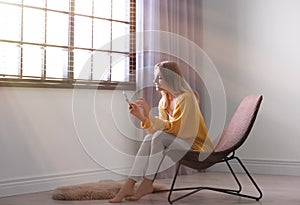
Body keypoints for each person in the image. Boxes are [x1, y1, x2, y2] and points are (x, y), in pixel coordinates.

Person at [109, 61, 214, 203]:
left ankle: (147, 183)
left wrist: (149, 115)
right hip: (179, 144)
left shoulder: (186, 97)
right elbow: (157, 132)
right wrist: (142, 116)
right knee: (149, 138)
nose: (154, 81)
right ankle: (130, 184)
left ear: (171, 78)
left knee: (158, 136)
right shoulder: (163, 102)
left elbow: (179, 131)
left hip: (197, 148)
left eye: (159, 77)